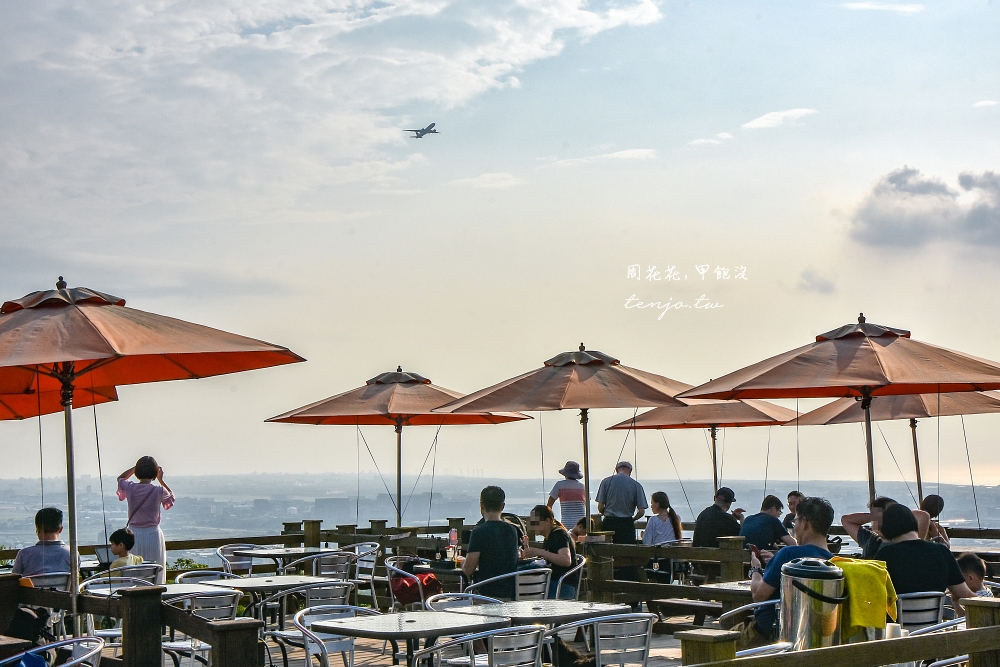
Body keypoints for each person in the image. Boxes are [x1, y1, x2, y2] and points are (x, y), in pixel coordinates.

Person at [738, 497, 836, 649]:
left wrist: (755, 569)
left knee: (715, 643)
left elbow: (758, 595)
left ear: (804, 523)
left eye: (795, 522)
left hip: (770, 634)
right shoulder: (834, 562)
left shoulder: (787, 554)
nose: (794, 526)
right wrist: (774, 561)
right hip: (810, 637)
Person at [876, 502, 974, 614]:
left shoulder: (885, 555)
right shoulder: (942, 551)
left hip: (895, 629)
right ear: (913, 523)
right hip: (933, 628)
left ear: (886, 530)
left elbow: (873, 595)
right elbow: (966, 595)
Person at [118, 456, 174, 584]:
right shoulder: (158, 490)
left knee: (134, 572)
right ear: (155, 472)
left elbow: (120, 479)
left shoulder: (130, 488)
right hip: (154, 535)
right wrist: (161, 480)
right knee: (155, 572)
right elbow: (171, 498)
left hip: (133, 535)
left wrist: (135, 468)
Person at [463, 485, 520, 599]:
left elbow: (468, 570)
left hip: (487, 596)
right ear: (502, 506)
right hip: (510, 596)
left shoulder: (478, 532)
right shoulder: (512, 531)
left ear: (482, 506)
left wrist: (463, 562)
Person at [841, 496, 930, 560]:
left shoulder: (907, 540)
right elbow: (846, 520)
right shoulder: (869, 539)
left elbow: (923, 516)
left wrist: (898, 514)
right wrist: (877, 516)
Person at [522, 505, 578, 599]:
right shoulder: (549, 537)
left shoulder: (558, 534)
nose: (532, 525)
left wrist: (539, 552)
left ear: (547, 521)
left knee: (524, 584)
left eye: (535, 522)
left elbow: (566, 560)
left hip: (563, 585)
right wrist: (527, 549)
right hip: (553, 582)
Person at [595, 462, 647, 545]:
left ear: (616, 470)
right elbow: (641, 512)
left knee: (607, 553)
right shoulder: (636, 485)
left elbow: (600, 507)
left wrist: (605, 514)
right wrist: (632, 519)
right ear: (630, 471)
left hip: (609, 523)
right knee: (626, 553)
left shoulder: (605, 482)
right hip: (626, 524)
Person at [12, 508, 73, 577]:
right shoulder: (72, 553)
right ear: (60, 529)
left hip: (31, 588)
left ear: (38, 529)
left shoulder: (24, 554)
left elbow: (14, 580)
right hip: (62, 588)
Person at [547, 461, 587, 530]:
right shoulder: (583, 487)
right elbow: (587, 505)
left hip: (566, 523)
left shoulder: (559, 485)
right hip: (581, 525)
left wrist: (551, 520)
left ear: (565, 474)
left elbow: (549, 505)